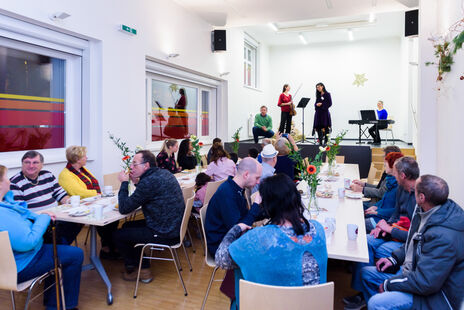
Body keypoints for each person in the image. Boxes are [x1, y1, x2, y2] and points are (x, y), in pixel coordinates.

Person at [215, 174, 328, 309]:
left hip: (271, 304)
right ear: (296, 198)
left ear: (267, 205)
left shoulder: (258, 237)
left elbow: (221, 259)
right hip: (313, 305)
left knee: (240, 267)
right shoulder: (318, 229)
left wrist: (236, 229)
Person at [360, 175, 464, 310]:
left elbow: (425, 282)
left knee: (377, 303)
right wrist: (394, 259)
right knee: (366, 274)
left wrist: (388, 284)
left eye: (415, 189)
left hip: (435, 297)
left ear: (421, 198)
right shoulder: (427, 211)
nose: (411, 190)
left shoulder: (443, 236)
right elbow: (413, 243)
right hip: (415, 274)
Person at [0, 164, 83, 310]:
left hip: (17, 260)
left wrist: (38, 216)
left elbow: (25, 214)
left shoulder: (6, 204)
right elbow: (29, 242)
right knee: (75, 254)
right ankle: (60, 306)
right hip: (20, 265)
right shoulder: (3, 215)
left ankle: (55, 302)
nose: (9, 181)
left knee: (59, 248)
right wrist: (44, 218)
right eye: (6, 177)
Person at [345, 156, 419, 310]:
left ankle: (372, 295)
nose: (393, 175)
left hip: (402, 240)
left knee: (371, 244)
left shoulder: (419, 198)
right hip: (395, 232)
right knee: (366, 241)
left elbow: (414, 235)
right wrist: (382, 226)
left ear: (403, 175)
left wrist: (390, 229)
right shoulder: (401, 189)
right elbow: (395, 214)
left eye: (396, 173)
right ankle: (363, 292)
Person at [114, 150, 185, 282]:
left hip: (164, 232)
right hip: (173, 226)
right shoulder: (163, 173)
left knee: (118, 235)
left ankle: (143, 270)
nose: (131, 167)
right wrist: (136, 182)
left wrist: (124, 183)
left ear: (146, 166)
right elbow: (148, 192)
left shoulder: (149, 182)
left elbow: (124, 208)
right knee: (127, 225)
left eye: (135, 164)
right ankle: (134, 263)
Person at [58, 145, 119, 259]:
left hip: (91, 203)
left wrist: (97, 195)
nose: (86, 157)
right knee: (104, 216)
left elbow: (93, 183)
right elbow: (77, 192)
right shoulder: (65, 175)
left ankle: (109, 246)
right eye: (84, 156)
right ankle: (107, 248)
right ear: (77, 159)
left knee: (111, 218)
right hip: (77, 208)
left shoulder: (82, 170)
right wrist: (96, 194)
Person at [9, 151, 80, 245]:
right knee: (59, 235)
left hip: (56, 217)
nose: (31, 166)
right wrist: (43, 217)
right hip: (37, 221)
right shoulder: (15, 182)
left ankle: (59, 247)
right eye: (27, 162)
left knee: (78, 221)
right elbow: (21, 212)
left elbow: (61, 195)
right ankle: (58, 248)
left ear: (42, 165)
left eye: (35, 162)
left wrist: (72, 202)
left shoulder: (47, 175)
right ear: (22, 164)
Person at [204, 157, 263, 256]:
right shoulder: (227, 193)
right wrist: (256, 204)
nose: (258, 182)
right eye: (257, 178)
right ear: (246, 174)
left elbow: (244, 218)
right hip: (221, 246)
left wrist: (271, 211)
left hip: (229, 237)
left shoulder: (236, 189)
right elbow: (238, 230)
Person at [364, 152, 404, 232]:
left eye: (386, 164)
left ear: (393, 166)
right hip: (380, 216)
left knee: (359, 222)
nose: (384, 166)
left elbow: (396, 210)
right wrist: (375, 206)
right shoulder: (391, 181)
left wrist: (377, 212)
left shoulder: (399, 186)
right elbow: (384, 200)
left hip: (384, 220)